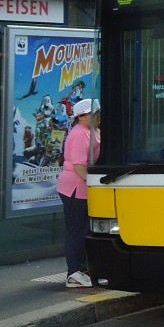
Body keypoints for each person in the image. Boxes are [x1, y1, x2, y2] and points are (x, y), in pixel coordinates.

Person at [58, 98, 100, 288]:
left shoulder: (91, 131)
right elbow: (79, 166)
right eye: (96, 113)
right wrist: (94, 183)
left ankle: (82, 269)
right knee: (77, 230)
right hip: (76, 188)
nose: (99, 116)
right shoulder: (81, 134)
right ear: (83, 117)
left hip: (82, 187)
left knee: (85, 229)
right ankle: (74, 272)